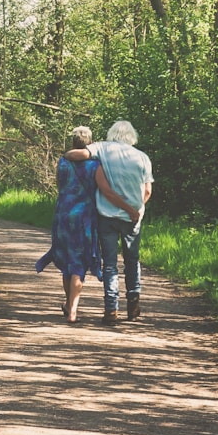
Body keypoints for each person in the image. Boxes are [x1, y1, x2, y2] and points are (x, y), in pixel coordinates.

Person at [35, 127, 133, 323]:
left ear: (73, 143)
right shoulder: (95, 165)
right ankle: (72, 311)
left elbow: (59, 185)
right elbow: (104, 190)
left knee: (67, 264)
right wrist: (126, 207)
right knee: (78, 264)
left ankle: (68, 303)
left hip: (63, 215)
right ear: (90, 143)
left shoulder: (62, 162)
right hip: (85, 219)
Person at [66, 120, 152, 325]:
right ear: (132, 136)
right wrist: (135, 209)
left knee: (110, 265)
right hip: (133, 218)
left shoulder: (102, 148)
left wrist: (67, 155)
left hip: (107, 216)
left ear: (112, 133)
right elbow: (148, 190)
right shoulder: (142, 157)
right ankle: (133, 305)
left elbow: (79, 155)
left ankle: (111, 310)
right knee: (132, 261)